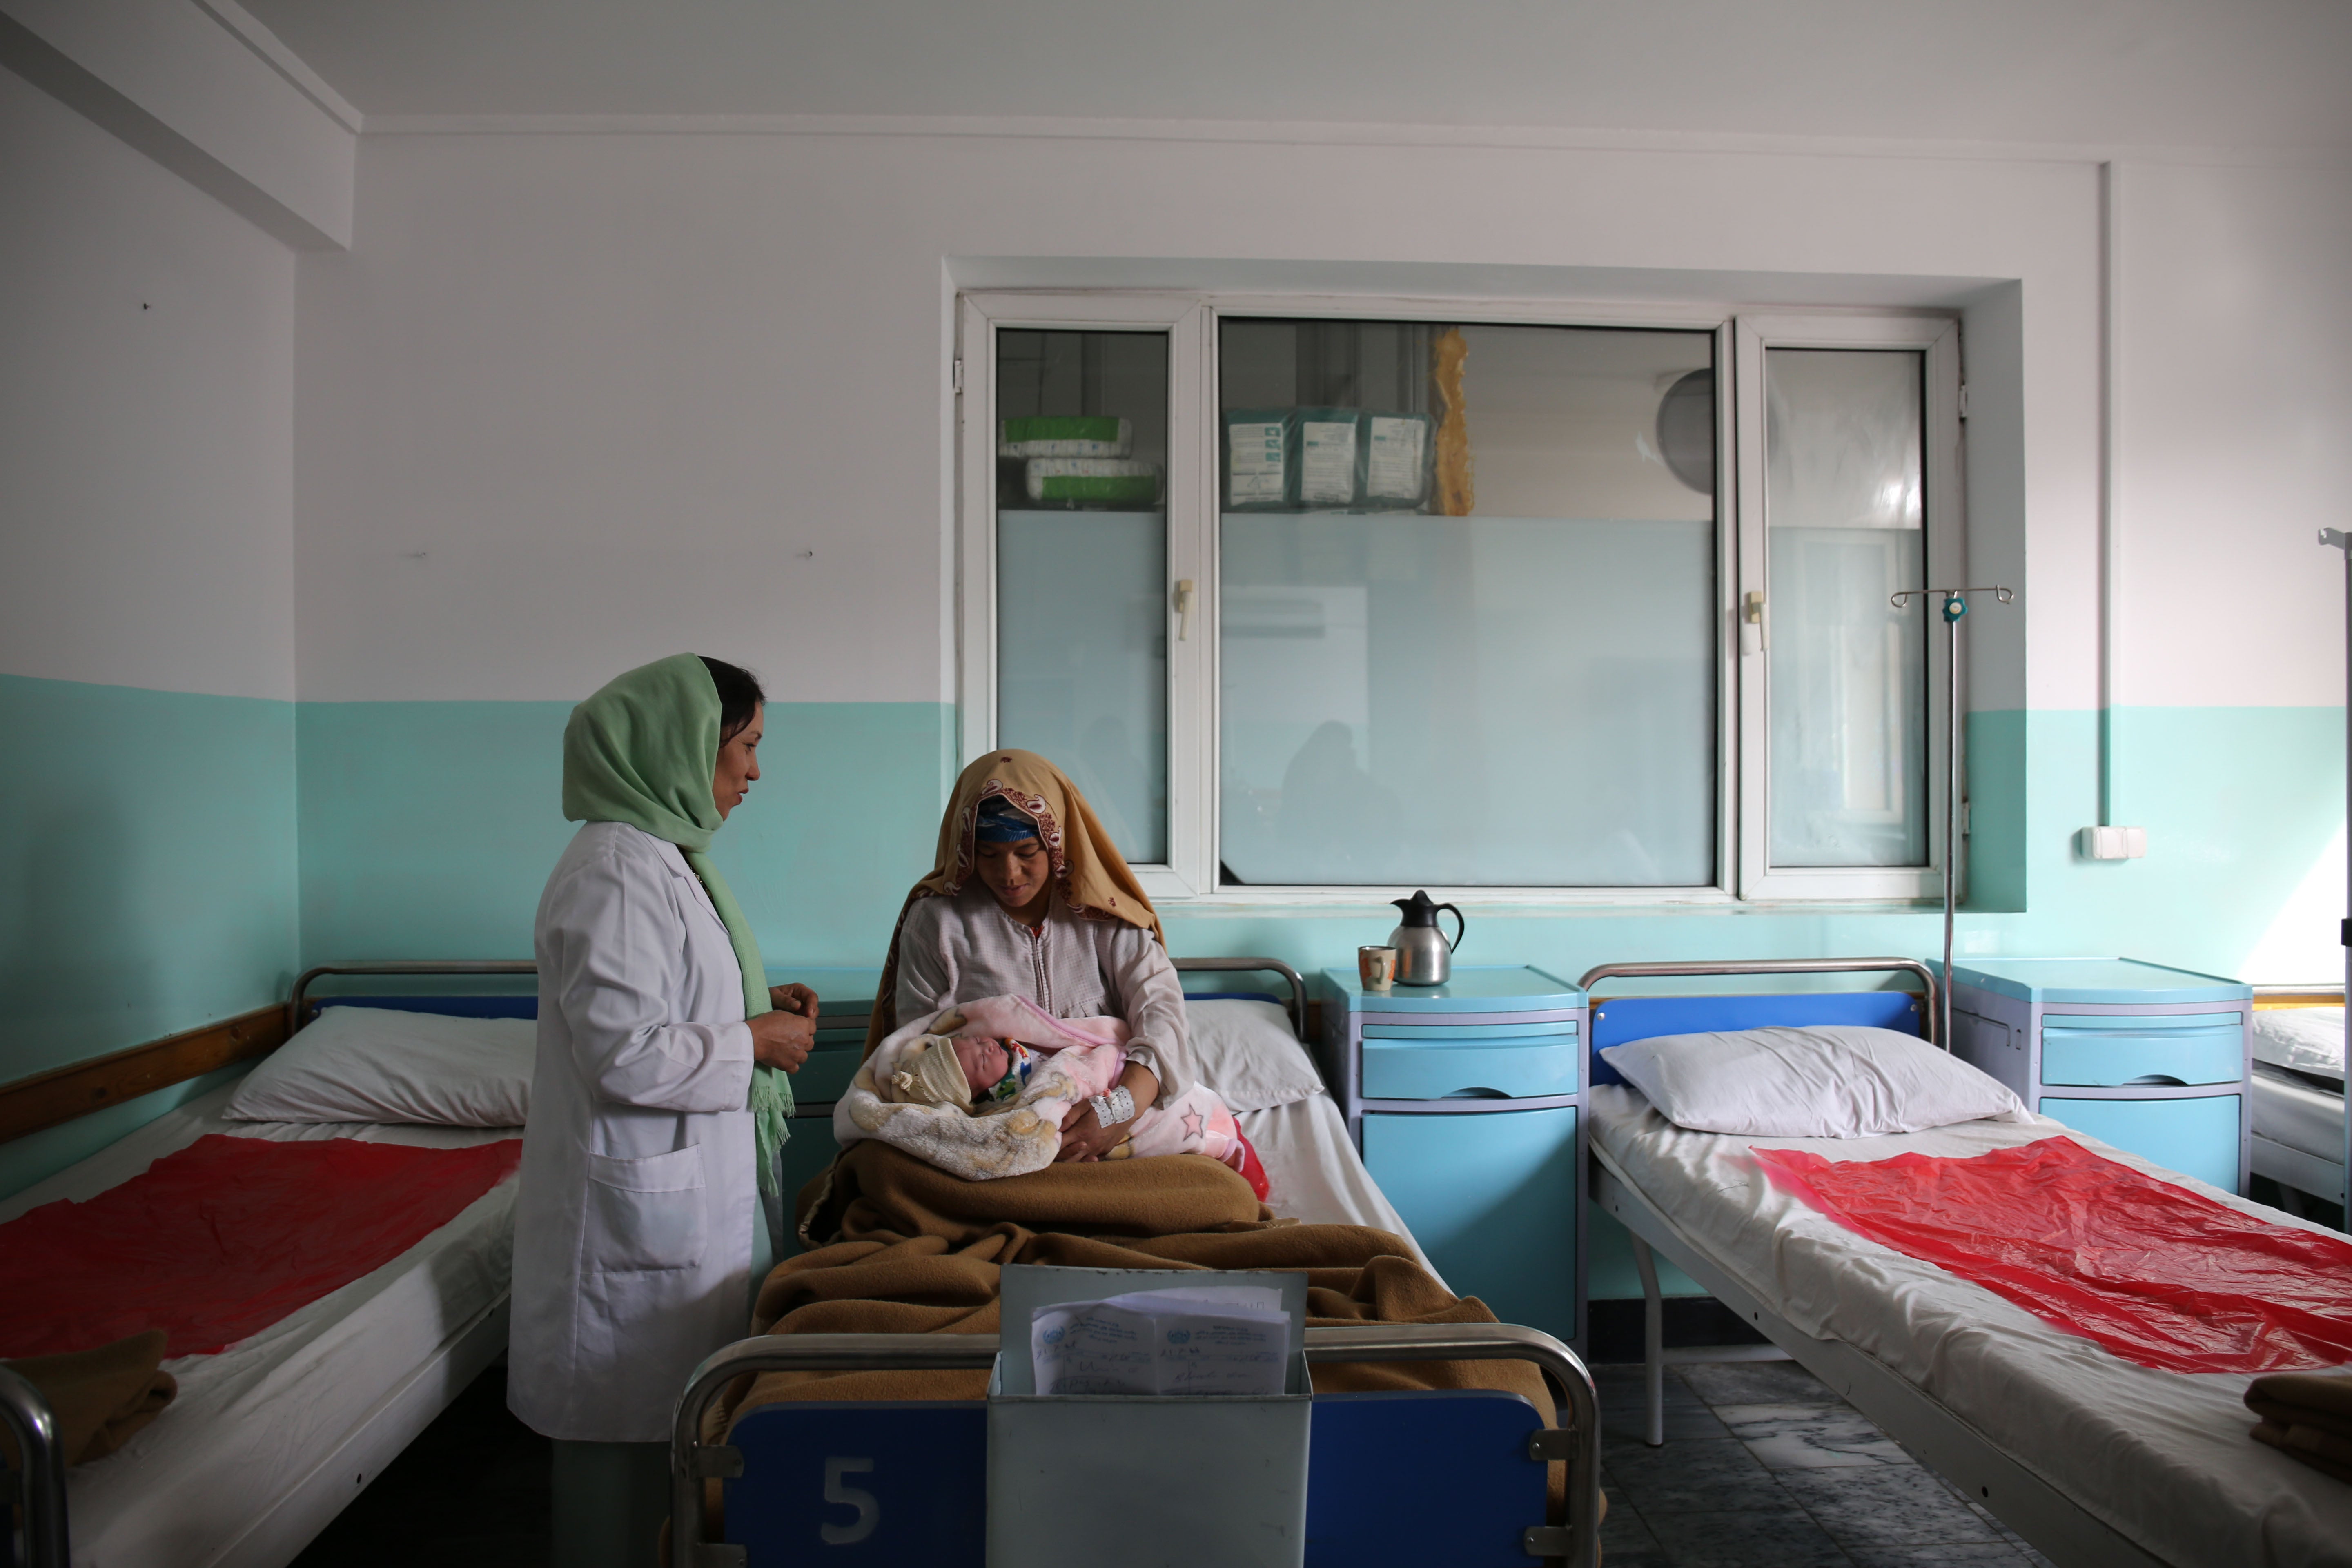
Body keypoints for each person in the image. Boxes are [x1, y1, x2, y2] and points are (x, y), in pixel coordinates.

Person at [508, 653, 819, 1568]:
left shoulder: (664, 859)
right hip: (629, 1234)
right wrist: (752, 1043)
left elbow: (669, 1007)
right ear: (684, 746)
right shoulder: (614, 871)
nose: (755, 772)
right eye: (747, 746)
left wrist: (755, 1009)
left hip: (677, 1209)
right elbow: (623, 1054)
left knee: (677, 1466)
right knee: (622, 1495)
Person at [866, 750, 1195, 1163]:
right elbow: (917, 1057)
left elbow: (1161, 1010)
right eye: (988, 854)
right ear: (966, 847)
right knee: (884, 1177)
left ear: (1058, 844)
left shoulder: (1102, 912)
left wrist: (1119, 1111)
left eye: (1026, 853)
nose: (1009, 874)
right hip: (990, 1132)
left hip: (1114, 1115)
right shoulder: (937, 922)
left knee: (1216, 1191)